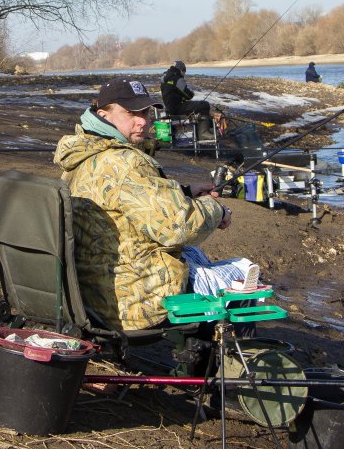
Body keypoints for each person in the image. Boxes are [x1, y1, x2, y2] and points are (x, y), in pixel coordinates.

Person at [53, 77, 255, 334]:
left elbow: (116, 196)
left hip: (91, 295)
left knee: (194, 257)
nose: (142, 121)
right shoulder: (126, 162)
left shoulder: (82, 157)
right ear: (103, 114)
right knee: (245, 275)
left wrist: (184, 192)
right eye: (131, 113)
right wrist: (217, 210)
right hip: (134, 303)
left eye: (145, 112)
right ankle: (233, 369)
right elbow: (179, 226)